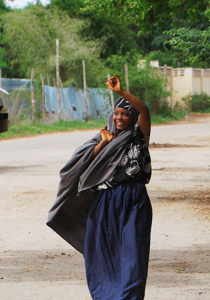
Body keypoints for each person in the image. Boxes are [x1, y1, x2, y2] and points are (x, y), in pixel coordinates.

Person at [48, 74, 152, 300]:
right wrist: (102, 144)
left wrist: (121, 93)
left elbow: (144, 110)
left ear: (132, 117)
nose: (120, 117)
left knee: (133, 253)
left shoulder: (138, 136)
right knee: (102, 253)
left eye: (125, 113)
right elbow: (80, 166)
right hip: (105, 201)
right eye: (117, 113)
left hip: (133, 200)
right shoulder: (104, 137)